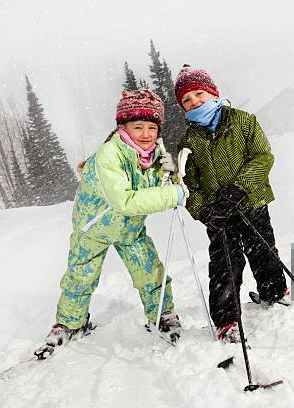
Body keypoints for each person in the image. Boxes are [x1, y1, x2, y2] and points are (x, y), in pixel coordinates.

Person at [35, 89, 187, 359]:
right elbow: (126, 201)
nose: (146, 134)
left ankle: (162, 315)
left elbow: (154, 190)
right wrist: (174, 194)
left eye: (152, 127)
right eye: (138, 127)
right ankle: (69, 324)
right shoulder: (110, 155)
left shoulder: (153, 155)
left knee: (151, 271)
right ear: (123, 127)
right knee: (80, 277)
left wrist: (170, 176)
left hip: (129, 229)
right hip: (93, 228)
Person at [174, 64, 288, 343]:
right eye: (186, 100)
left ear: (213, 93)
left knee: (262, 249)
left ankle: (274, 293)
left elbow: (262, 158)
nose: (194, 101)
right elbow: (189, 183)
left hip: (251, 201)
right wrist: (204, 211)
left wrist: (239, 189)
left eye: (199, 94)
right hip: (218, 214)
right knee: (225, 263)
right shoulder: (189, 140)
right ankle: (226, 320)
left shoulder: (243, 121)